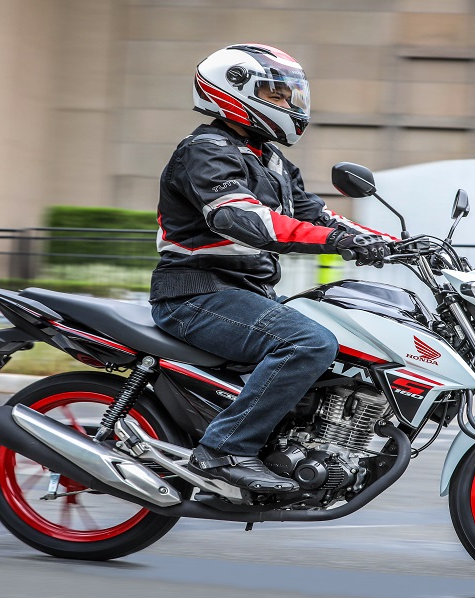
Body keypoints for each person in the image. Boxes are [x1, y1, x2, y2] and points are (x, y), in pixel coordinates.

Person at [149, 44, 392, 494]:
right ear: (233, 90)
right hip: (196, 294)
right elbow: (238, 216)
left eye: (289, 95)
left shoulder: (271, 160)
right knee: (307, 343)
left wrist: (392, 244)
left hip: (246, 293)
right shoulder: (205, 151)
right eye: (276, 94)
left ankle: (295, 446)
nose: (288, 105)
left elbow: (316, 216)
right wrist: (337, 242)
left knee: (345, 342)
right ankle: (222, 451)